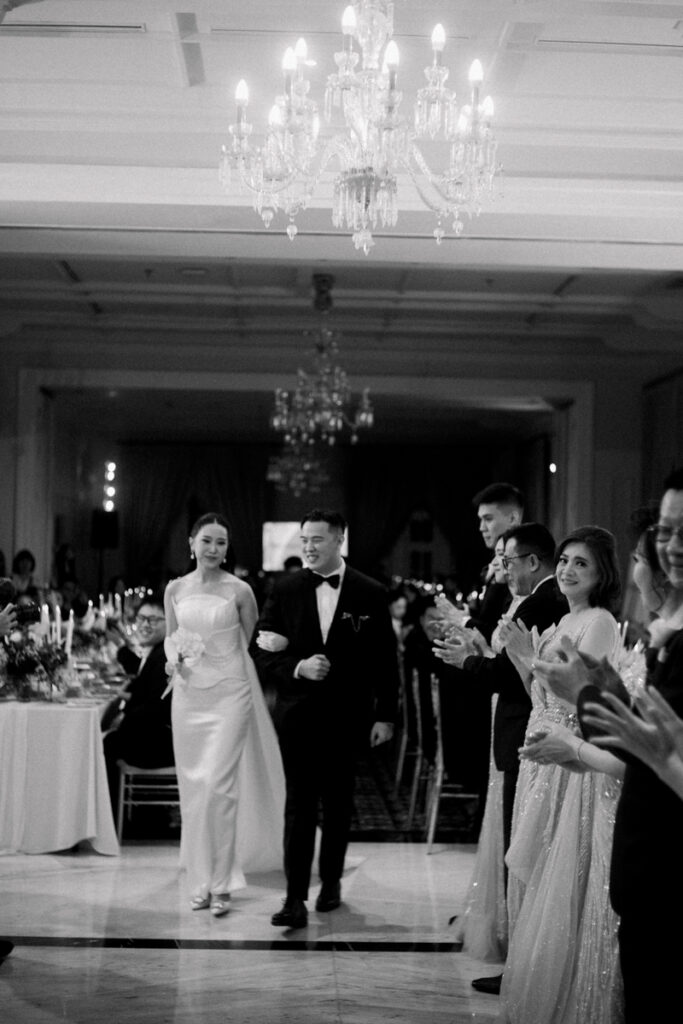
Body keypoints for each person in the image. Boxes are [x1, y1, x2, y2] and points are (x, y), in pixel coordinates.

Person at [536, 468, 683, 1023]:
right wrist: (605, 692)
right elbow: (646, 737)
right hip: (643, 853)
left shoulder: (609, 624)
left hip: (659, 856)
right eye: (664, 535)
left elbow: (648, 753)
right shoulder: (657, 639)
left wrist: (586, 702)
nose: (668, 550)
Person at [495, 525, 624, 1023]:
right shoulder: (560, 623)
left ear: (601, 574)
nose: (568, 570)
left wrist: (529, 659)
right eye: (565, 560)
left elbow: (582, 704)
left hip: (570, 763)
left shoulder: (599, 622)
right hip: (542, 755)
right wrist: (522, 658)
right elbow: (540, 696)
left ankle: (565, 986)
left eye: (581, 564)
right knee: (536, 870)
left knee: (559, 873)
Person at [250, 509, 399, 930]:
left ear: (339, 540)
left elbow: (386, 660)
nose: (309, 547)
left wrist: (386, 716)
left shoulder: (370, 592)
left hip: (348, 715)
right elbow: (260, 649)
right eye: (304, 540)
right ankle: (294, 897)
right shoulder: (285, 588)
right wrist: (298, 667)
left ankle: (331, 882)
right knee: (298, 806)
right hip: (298, 714)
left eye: (317, 539)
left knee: (338, 804)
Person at [434, 524, 568, 984]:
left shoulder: (538, 603)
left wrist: (467, 662)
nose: (502, 569)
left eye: (507, 561)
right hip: (524, 729)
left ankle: (518, 959)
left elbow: (512, 678)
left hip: (524, 730)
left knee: (521, 847)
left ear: (531, 561)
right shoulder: (543, 600)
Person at [164, 512, 285, 917]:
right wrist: (173, 659)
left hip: (232, 692)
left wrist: (285, 654)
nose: (213, 549)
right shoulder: (175, 589)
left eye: (221, 543)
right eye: (207, 541)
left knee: (219, 787)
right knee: (195, 791)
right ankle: (200, 881)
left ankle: (223, 884)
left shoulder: (240, 590)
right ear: (192, 543)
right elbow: (171, 638)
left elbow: (256, 644)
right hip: (188, 696)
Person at [101, 593, 175, 814]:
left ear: (168, 622)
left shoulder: (164, 657)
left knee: (105, 743)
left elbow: (156, 709)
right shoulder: (157, 652)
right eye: (141, 618)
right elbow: (144, 692)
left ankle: (111, 816)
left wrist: (123, 718)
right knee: (108, 738)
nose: (145, 625)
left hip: (160, 743)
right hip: (154, 734)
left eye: (153, 620)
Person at [466, 483, 524, 642]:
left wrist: (463, 621)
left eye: (488, 519)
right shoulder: (491, 566)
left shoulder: (522, 567)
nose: (481, 528)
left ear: (513, 518)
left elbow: (504, 632)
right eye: (480, 520)